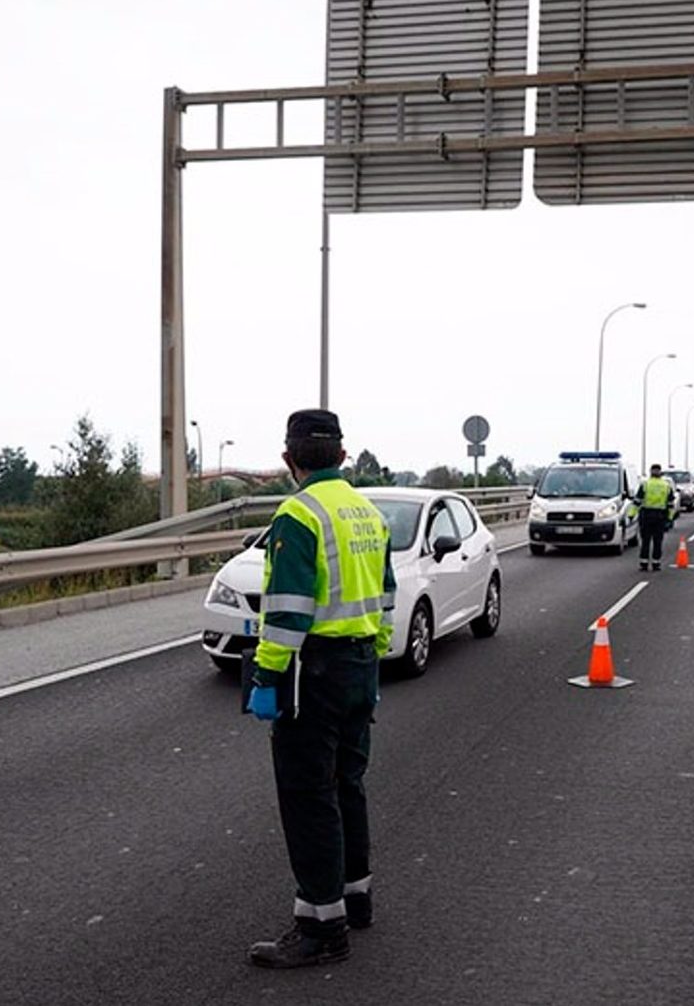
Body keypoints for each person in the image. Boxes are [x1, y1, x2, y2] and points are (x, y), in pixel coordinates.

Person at [245, 409, 396, 969]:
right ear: (342, 456)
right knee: (348, 784)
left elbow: (285, 614)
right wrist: (373, 658)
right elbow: (385, 596)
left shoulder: (298, 514)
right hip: (359, 665)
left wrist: (266, 676)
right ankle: (356, 897)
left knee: (309, 797)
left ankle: (321, 926)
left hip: (314, 673)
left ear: (289, 462)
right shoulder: (367, 512)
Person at [637, 462, 674, 571]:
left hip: (646, 515)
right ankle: (656, 563)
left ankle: (644, 563)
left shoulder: (645, 484)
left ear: (650, 472)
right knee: (658, 541)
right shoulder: (666, 485)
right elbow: (670, 504)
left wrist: (630, 515)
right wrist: (670, 518)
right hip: (660, 516)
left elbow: (637, 501)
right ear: (660, 472)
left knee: (645, 540)